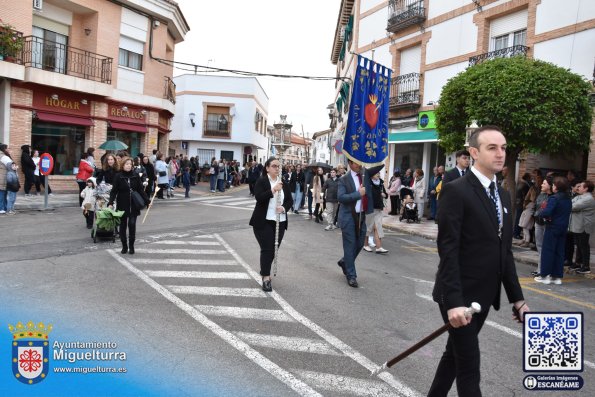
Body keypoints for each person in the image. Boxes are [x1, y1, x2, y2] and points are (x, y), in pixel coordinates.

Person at [429, 126, 529, 396]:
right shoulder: (456, 191)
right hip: (460, 298)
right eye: (492, 148)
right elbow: (447, 251)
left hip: (484, 298)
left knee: (454, 357)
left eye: (504, 148)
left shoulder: (502, 195)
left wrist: (517, 299)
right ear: (474, 152)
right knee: (469, 366)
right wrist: (454, 303)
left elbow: (503, 252)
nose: (500, 154)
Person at [336, 160, 384, 288]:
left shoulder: (365, 174)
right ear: (350, 164)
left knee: (359, 244)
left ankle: (345, 261)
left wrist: (379, 155)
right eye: (356, 163)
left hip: (362, 216)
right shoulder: (343, 180)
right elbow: (341, 198)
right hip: (348, 217)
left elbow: (379, 166)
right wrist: (358, 194)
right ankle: (351, 275)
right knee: (350, 245)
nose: (359, 165)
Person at [249, 157, 293, 292]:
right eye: (274, 166)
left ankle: (264, 269)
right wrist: (273, 190)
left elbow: (290, 200)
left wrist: (283, 208)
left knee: (274, 249)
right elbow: (259, 198)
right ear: (267, 168)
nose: (277, 168)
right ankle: (266, 278)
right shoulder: (262, 181)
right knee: (267, 248)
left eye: (278, 166)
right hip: (264, 221)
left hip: (280, 221)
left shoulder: (283, 182)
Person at [535, 177, 572, 285]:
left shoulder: (554, 198)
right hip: (563, 227)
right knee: (559, 252)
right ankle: (557, 277)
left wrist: (541, 212)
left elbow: (547, 212)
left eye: (554, 185)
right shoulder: (568, 198)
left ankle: (545, 276)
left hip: (552, 227)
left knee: (548, 251)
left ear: (557, 187)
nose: (553, 186)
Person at [109, 157, 149, 255]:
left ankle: (131, 246)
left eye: (130, 164)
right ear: (123, 165)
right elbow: (114, 191)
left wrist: (147, 200)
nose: (128, 166)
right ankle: (124, 246)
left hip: (134, 205)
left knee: (132, 224)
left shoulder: (135, 175)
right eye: (126, 164)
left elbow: (140, 190)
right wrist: (110, 202)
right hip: (122, 204)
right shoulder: (118, 176)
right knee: (122, 226)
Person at [569, 180, 595, 274]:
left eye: (580, 186)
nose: (578, 188)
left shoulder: (588, 199)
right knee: (579, 245)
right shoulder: (580, 196)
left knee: (583, 245)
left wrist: (570, 205)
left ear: (586, 189)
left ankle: (586, 266)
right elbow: (570, 202)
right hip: (577, 225)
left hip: (584, 226)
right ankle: (578, 263)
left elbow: (572, 207)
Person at [531, 175, 552, 276]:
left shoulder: (553, 197)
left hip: (547, 224)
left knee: (545, 247)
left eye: (544, 183)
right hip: (538, 222)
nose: (541, 185)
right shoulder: (541, 194)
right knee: (539, 246)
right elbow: (536, 206)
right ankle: (540, 268)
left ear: (550, 185)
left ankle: (544, 269)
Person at [363, 172, 388, 254]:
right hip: (370, 208)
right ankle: (365, 245)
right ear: (372, 175)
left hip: (378, 207)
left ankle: (379, 247)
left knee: (378, 227)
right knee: (368, 227)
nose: (378, 174)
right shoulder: (368, 182)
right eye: (376, 173)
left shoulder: (380, 183)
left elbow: (386, 194)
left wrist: (384, 195)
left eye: (379, 173)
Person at [0, 144, 18, 215]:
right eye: (8, 148)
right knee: (3, 194)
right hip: (5, 178)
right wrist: (16, 167)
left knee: (2, 193)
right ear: (4, 149)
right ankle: (3, 208)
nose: (9, 149)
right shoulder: (4, 157)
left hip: (2, 177)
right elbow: (12, 166)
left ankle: (3, 208)